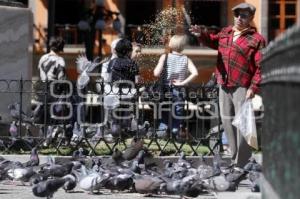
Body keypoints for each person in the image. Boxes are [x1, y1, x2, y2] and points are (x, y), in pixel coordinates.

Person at [189, 2, 266, 168]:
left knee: (243, 123)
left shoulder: (257, 39)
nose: (239, 18)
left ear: (251, 18)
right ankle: (234, 158)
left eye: (243, 15)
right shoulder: (226, 32)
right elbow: (212, 41)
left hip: (242, 85)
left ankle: (242, 162)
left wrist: (253, 88)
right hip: (223, 83)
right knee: (227, 122)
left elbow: (261, 67)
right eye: (237, 14)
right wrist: (200, 34)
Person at [153, 34, 198, 138]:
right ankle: (175, 131)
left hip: (166, 90)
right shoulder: (186, 59)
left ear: (170, 44)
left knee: (165, 112)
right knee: (177, 114)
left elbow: (156, 73)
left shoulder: (165, 56)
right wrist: (182, 83)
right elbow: (195, 73)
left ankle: (162, 133)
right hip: (179, 91)